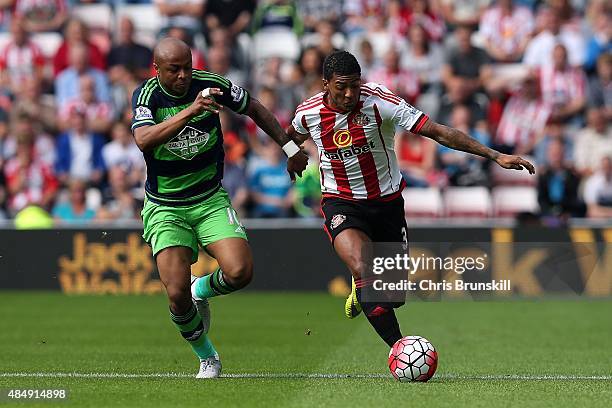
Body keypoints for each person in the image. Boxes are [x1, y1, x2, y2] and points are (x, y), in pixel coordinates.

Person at [288, 50, 534, 350]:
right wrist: (292, 155)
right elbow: (292, 134)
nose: (350, 93)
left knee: (393, 296)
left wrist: (495, 155)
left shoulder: (380, 102)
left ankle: (361, 286)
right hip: (341, 202)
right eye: (342, 86)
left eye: (355, 84)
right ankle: (401, 349)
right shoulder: (309, 112)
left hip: (387, 204)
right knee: (367, 271)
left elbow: (438, 132)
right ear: (326, 84)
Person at [130, 38, 307, 378]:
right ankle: (207, 357)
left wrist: (288, 148)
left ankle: (203, 288)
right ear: (157, 70)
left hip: (210, 199)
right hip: (165, 206)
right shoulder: (146, 96)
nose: (183, 75)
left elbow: (254, 107)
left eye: (187, 66)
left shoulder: (212, 86)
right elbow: (143, 139)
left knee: (241, 272)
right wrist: (191, 111)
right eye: (174, 70)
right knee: (176, 294)